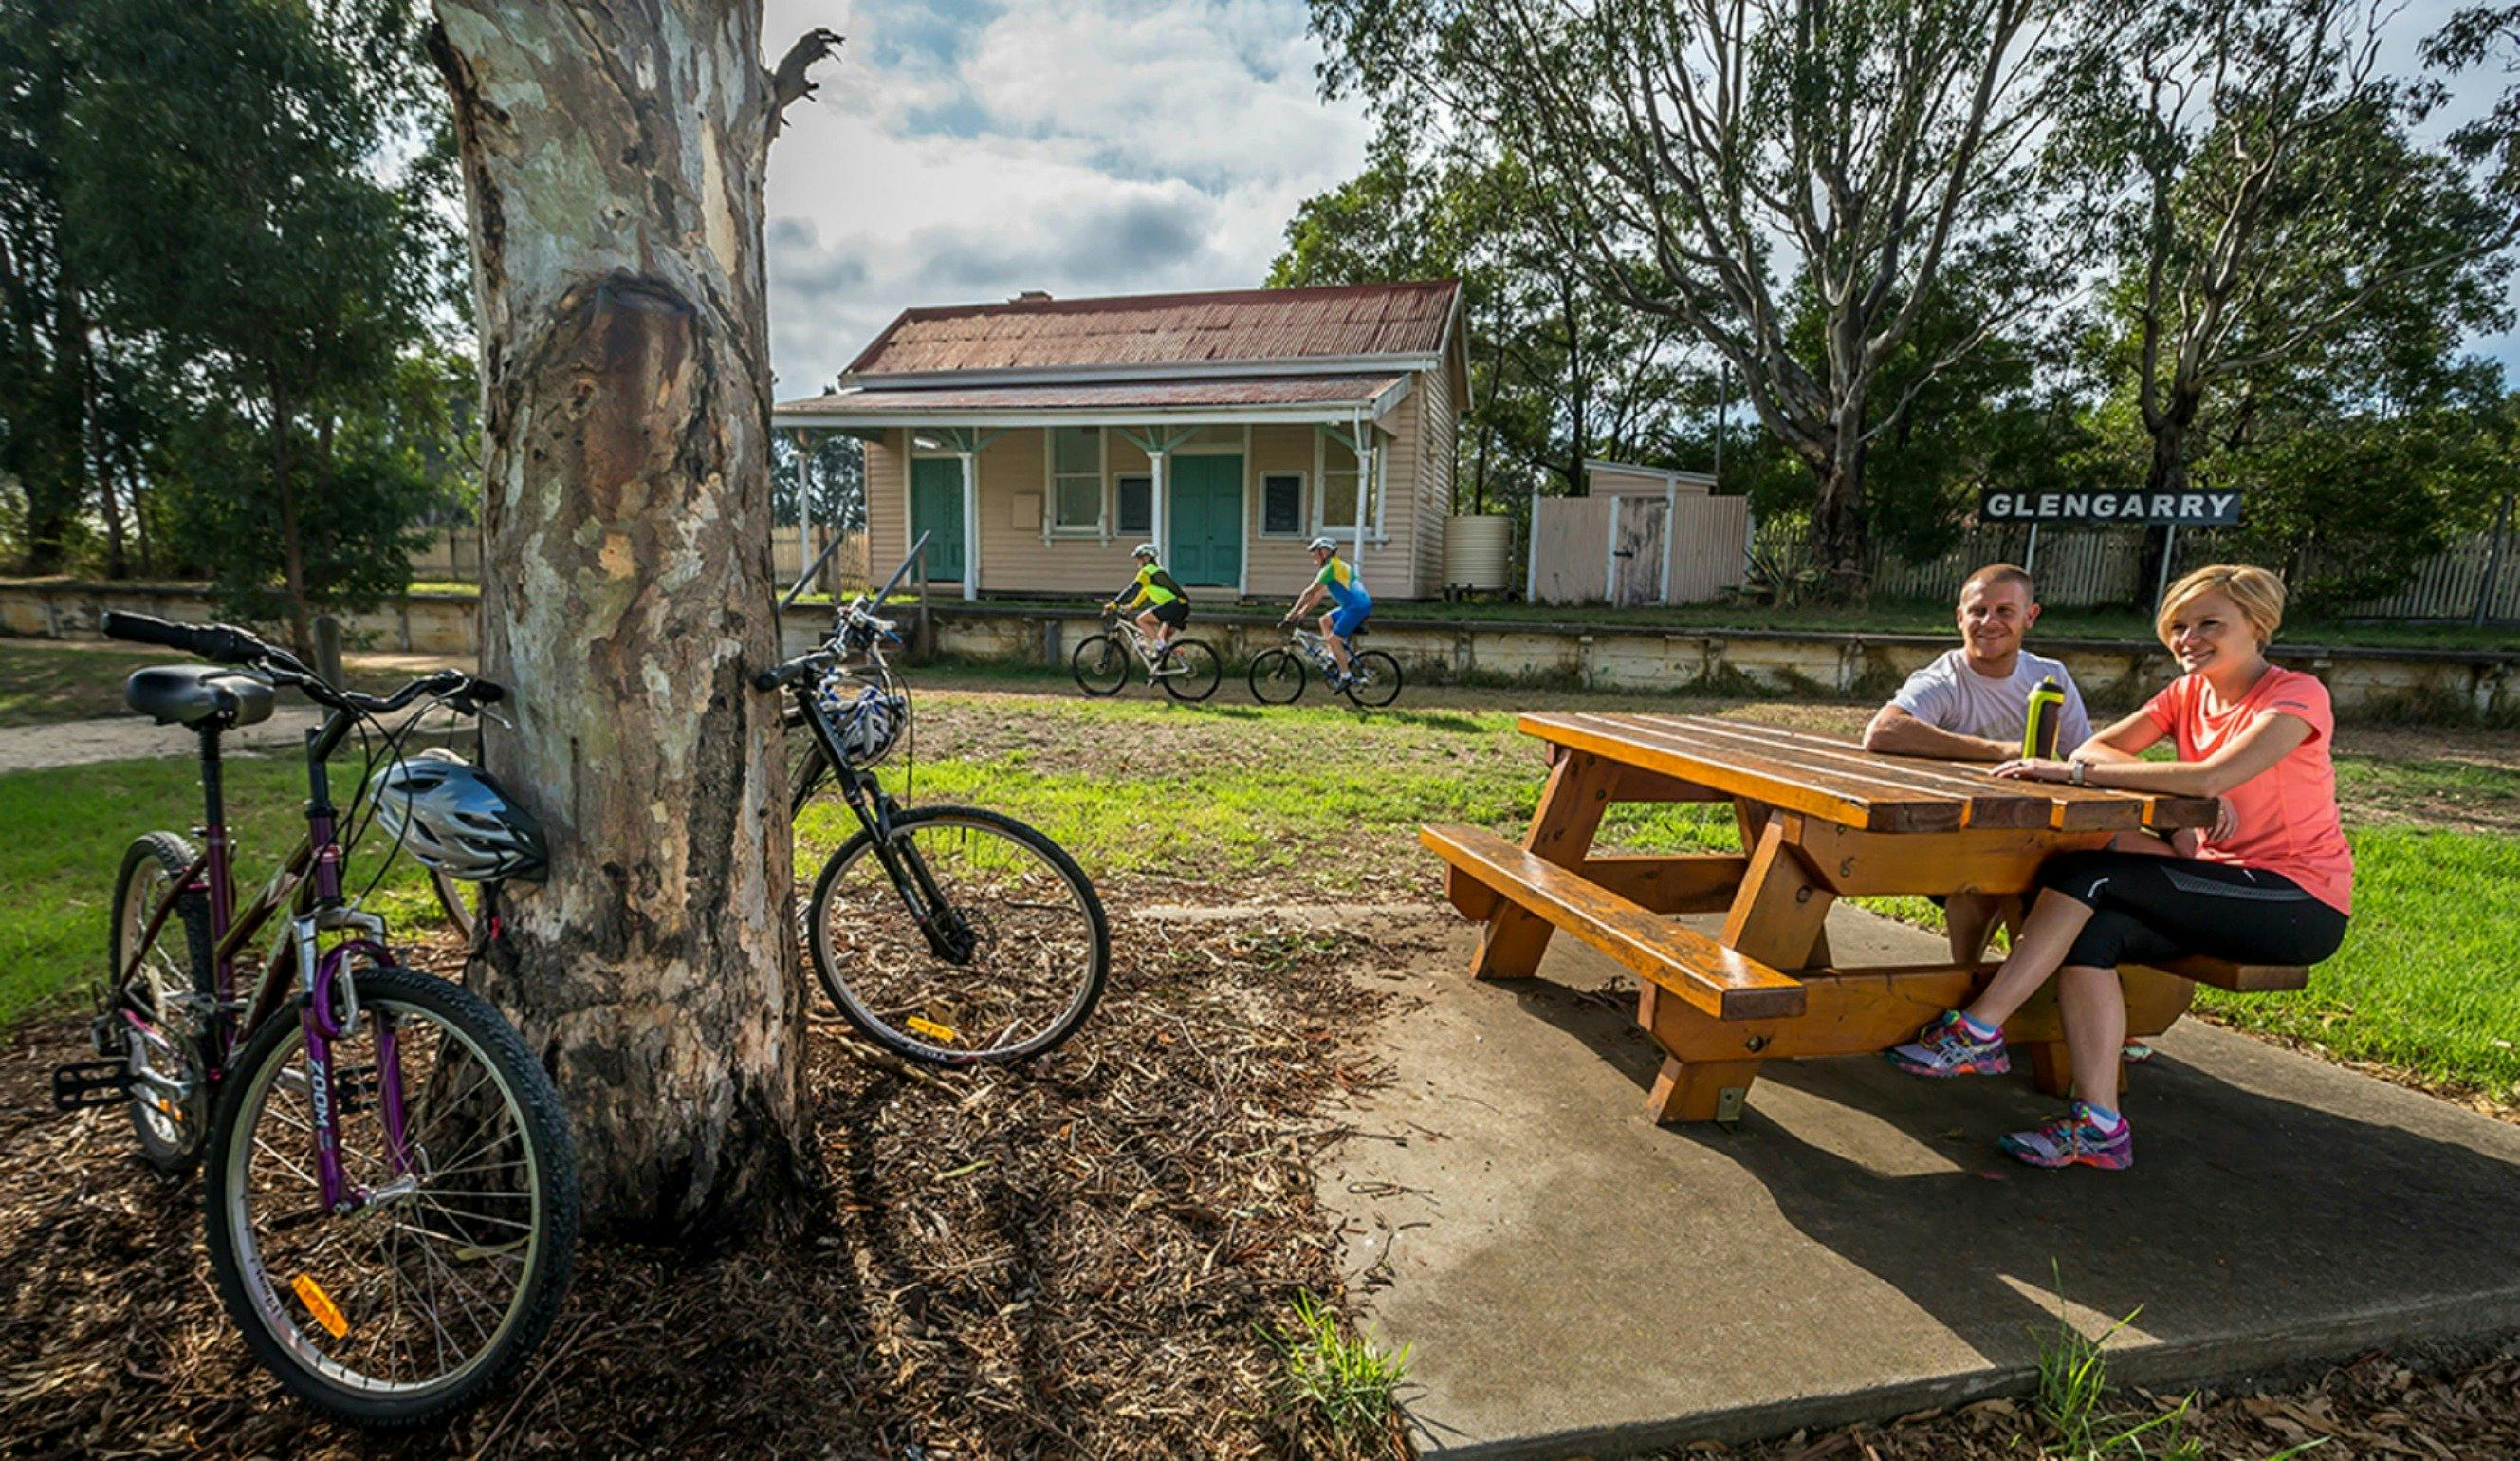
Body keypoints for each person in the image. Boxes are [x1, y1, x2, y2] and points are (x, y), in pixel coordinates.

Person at [1885, 564, 2353, 1172]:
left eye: (2210, 623)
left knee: (2089, 876)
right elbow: (2093, 747)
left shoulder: (2295, 694)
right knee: (2092, 929)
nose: (2189, 638)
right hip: (2215, 873)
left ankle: (1978, 1029)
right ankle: (2099, 1125)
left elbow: (2208, 778)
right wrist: (2149, 795)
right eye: (2179, 626)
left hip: (2294, 900)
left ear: (2258, 625)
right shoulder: (2189, 694)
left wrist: (2081, 776)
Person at [1863, 564, 2092, 963]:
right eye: (1978, 611)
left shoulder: (2050, 677)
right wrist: (2000, 751)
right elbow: (1883, 732)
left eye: (2005, 611)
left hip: (2035, 831)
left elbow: (2085, 754)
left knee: (2084, 875)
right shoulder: (1943, 678)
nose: (1989, 622)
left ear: (2030, 617)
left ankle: (2040, 993)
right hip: (1952, 836)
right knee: (1985, 880)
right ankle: (1966, 984)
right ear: (1959, 617)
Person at [1284, 535, 1371, 684]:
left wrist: (1291, 614)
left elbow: (1309, 592)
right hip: (1352, 606)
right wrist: (1303, 612)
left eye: (1315, 551)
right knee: (1324, 620)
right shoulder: (1334, 566)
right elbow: (1318, 595)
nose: (1313, 555)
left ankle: (1346, 676)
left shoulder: (1331, 568)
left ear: (1324, 552)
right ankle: (1332, 656)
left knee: (1334, 639)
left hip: (1356, 607)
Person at [1105, 543, 1190, 659]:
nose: (1137, 561)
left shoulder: (1146, 572)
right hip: (1182, 607)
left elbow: (1132, 589)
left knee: (1141, 620)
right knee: (1163, 643)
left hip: (1174, 606)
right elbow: (1144, 592)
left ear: (1147, 558)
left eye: (1139, 558)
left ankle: (1160, 647)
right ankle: (1171, 665)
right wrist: (1132, 606)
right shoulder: (1156, 570)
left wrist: (1115, 604)